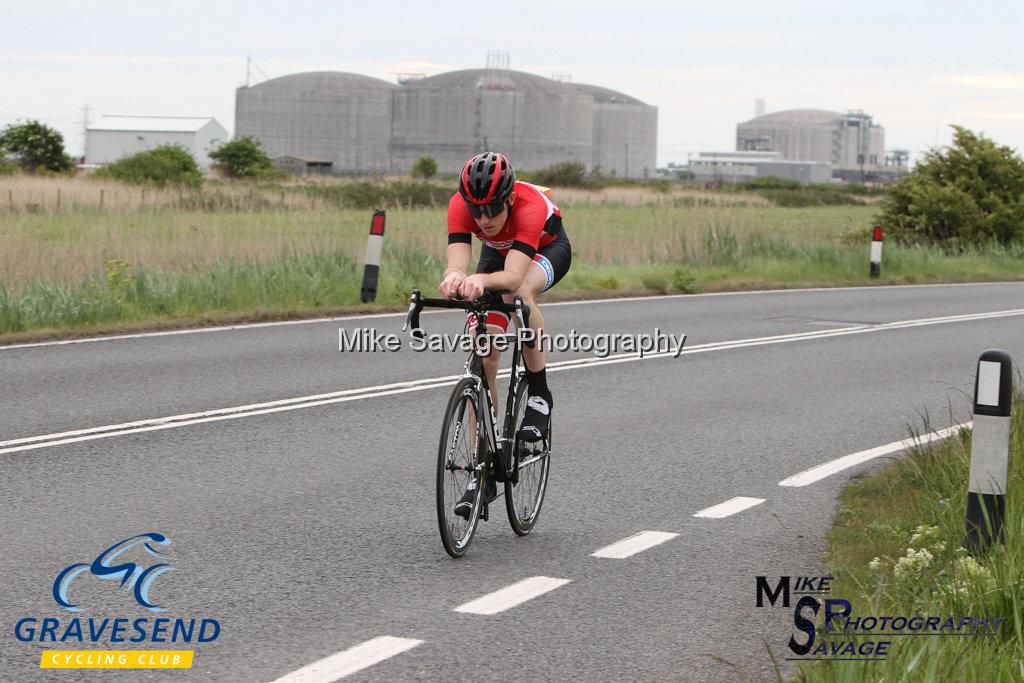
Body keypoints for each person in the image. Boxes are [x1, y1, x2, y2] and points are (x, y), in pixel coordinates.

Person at [439, 152, 572, 519]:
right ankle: (482, 471)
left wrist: (479, 280)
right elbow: (458, 260)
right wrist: (455, 277)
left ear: (509, 198)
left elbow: (512, 278)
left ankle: (540, 395)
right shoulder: (461, 206)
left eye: (492, 209)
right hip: (497, 256)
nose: (483, 218)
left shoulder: (528, 206)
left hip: (546, 249)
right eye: (476, 210)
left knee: (519, 296)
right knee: (484, 354)